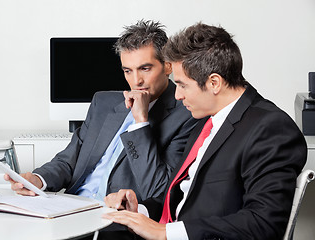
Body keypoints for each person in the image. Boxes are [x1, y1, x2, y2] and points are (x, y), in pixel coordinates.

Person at [103, 23, 307, 240]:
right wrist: (140, 210)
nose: (177, 96)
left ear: (214, 82)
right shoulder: (205, 119)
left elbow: (263, 222)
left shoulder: (270, 128)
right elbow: (184, 196)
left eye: (182, 85)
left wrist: (165, 233)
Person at [4, 20, 197, 202]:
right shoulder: (103, 103)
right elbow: (70, 160)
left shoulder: (188, 115)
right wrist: (38, 179)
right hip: (73, 205)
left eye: (145, 68)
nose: (136, 81)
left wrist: (141, 122)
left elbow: (159, 189)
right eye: (128, 71)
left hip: (117, 218)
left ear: (167, 66)